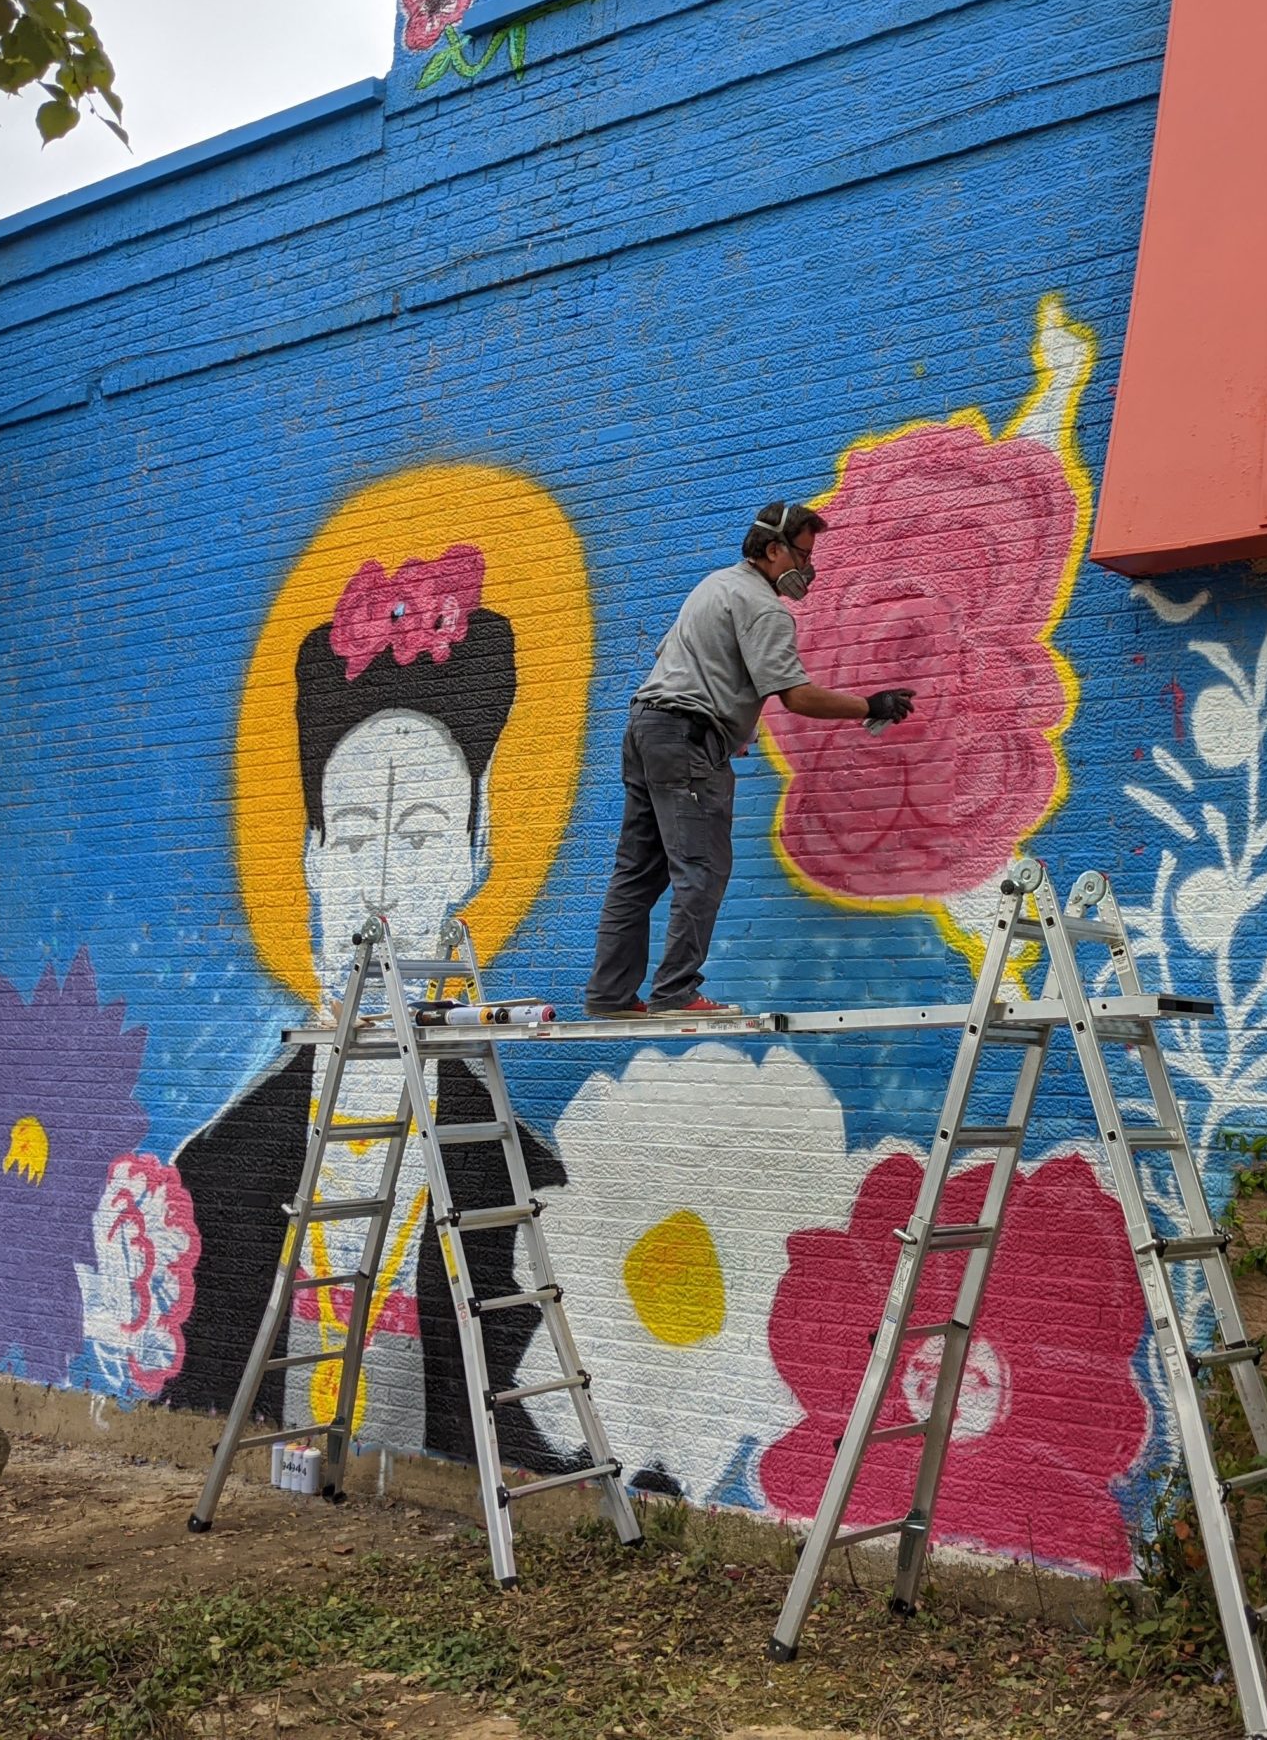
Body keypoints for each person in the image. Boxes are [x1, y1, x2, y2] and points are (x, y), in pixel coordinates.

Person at [168, 546, 577, 1475]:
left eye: (423, 835)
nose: (382, 887)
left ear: (477, 852)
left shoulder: (526, 1189)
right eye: (352, 837)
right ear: (310, 854)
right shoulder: (212, 1173)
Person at [585, 501, 915, 1017]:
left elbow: (680, 661)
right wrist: (870, 705)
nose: (808, 569)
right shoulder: (763, 607)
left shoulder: (715, 585)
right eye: (801, 556)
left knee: (638, 873)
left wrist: (732, 723)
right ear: (772, 549)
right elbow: (797, 696)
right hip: (688, 738)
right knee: (704, 867)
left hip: (648, 727)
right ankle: (674, 992)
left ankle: (609, 995)